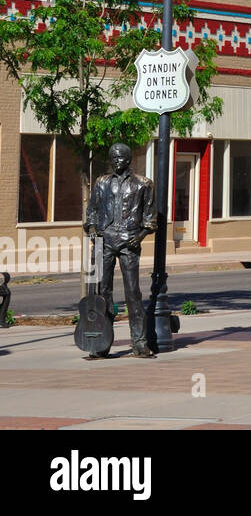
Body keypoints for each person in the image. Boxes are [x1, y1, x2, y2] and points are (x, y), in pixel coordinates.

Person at [83, 143, 156, 358]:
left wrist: (140, 236)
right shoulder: (102, 182)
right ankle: (102, 343)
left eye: (120, 158)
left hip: (128, 242)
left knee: (133, 293)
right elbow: (92, 212)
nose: (116, 161)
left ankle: (139, 343)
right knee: (102, 293)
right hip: (103, 242)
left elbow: (150, 219)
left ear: (129, 159)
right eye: (113, 158)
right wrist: (94, 231)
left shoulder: (143, 184)